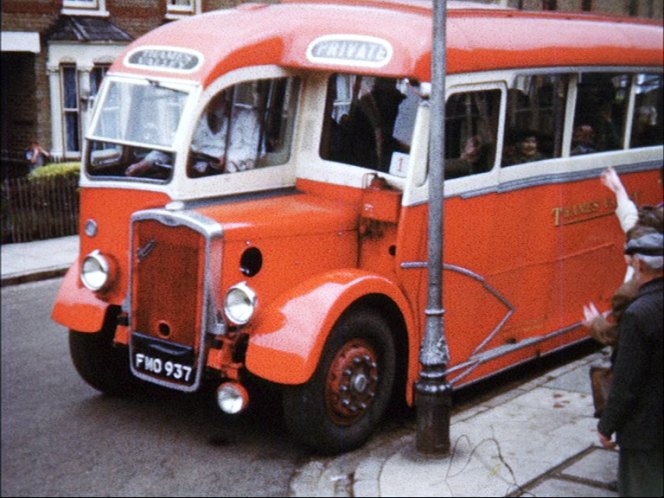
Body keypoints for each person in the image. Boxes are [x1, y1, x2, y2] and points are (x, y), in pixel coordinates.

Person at [597, 232, 663, 498]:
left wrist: (607, 425)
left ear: (641, 265)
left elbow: (627, 382)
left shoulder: (638, 314)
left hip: (644, 430)